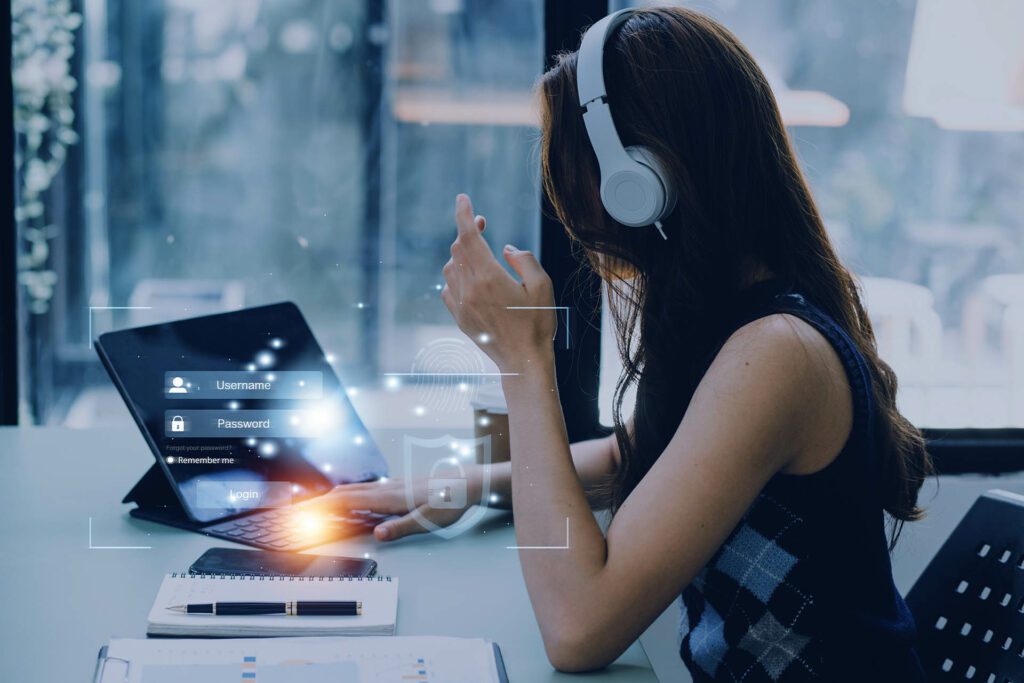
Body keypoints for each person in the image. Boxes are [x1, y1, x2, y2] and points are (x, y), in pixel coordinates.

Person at [323, 7, 931, 681]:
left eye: (569, 162)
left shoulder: (778, 354)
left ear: (639, 178)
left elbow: (578, 628)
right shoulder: (729, 319)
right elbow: (636, 454)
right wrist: (452, 487)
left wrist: (523, 359)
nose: (562, 198)